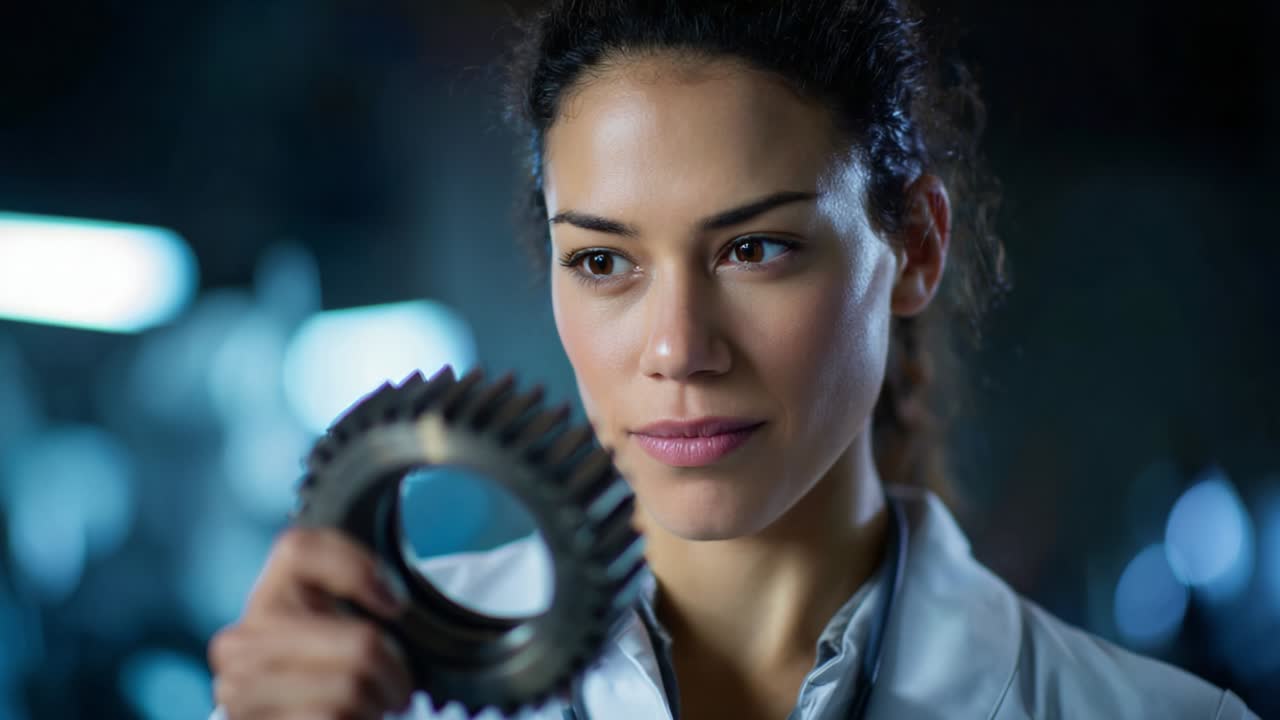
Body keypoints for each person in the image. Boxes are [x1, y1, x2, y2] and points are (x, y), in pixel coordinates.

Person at [207, 1, 1260, 718]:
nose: (676, 349)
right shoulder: (361, 684)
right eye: (605, 261)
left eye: (755, 249)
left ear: (914, 248)